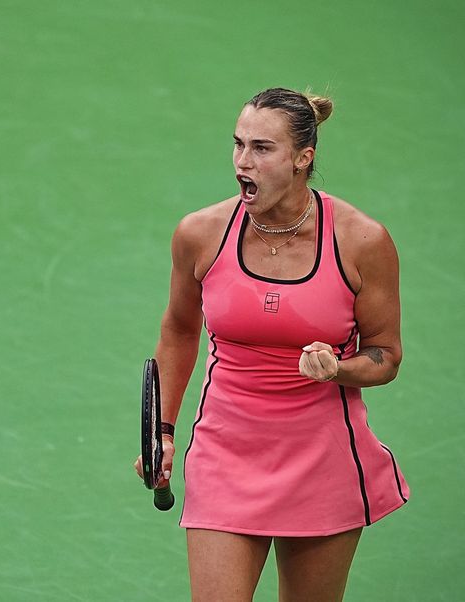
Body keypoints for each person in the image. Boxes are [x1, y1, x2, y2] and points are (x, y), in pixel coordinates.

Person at [134, 87, 409, 601]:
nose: (243, 161)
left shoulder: (362, 241)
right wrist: (164, 431)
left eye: (262, 148)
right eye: (238, 144)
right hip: (225, 453)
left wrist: (338, 368)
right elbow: (179, 329)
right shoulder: (200, 233)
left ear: (303, 158)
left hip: (322, 458)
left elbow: (385, 355)